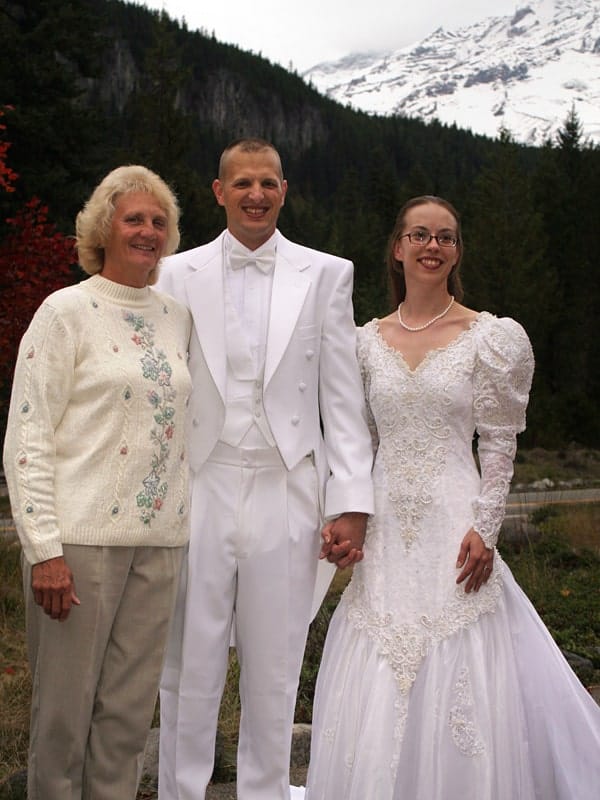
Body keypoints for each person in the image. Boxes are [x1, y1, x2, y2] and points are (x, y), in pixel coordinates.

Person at [306, 195, 600, 800]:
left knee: (457, 637)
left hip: (454, 519)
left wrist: (486, 527)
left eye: (445, 237)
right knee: (382, 636)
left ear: (457, 251)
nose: (432, 246)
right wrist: (344, 515)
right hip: (385, 524)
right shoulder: (363, 344)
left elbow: (496, 444)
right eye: (419, 234)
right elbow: (354, 442)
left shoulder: (489, 338)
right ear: (398, 248)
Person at [156, 137, 374, 800]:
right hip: (204, 482)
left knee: (275, 665)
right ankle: (180, 792)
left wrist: (352, 503)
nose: (256, 194)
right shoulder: (174, 273)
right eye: (243, 183)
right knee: (189, 661)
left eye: (269, 183)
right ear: (219, 192)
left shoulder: (327, 273)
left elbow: (341, 398)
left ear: (285, 190)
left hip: (288, 485)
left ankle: (265, 793)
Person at [2, 165, 193, 800]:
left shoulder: (176, 318)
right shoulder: (65, 311)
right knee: (62, 719)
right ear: (102, 228)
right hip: (78, 547)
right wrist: (45, 550)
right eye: (133, 218)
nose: (147, 231)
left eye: (158, 221)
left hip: (160, 543)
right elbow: (28, 436)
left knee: (127, 719)